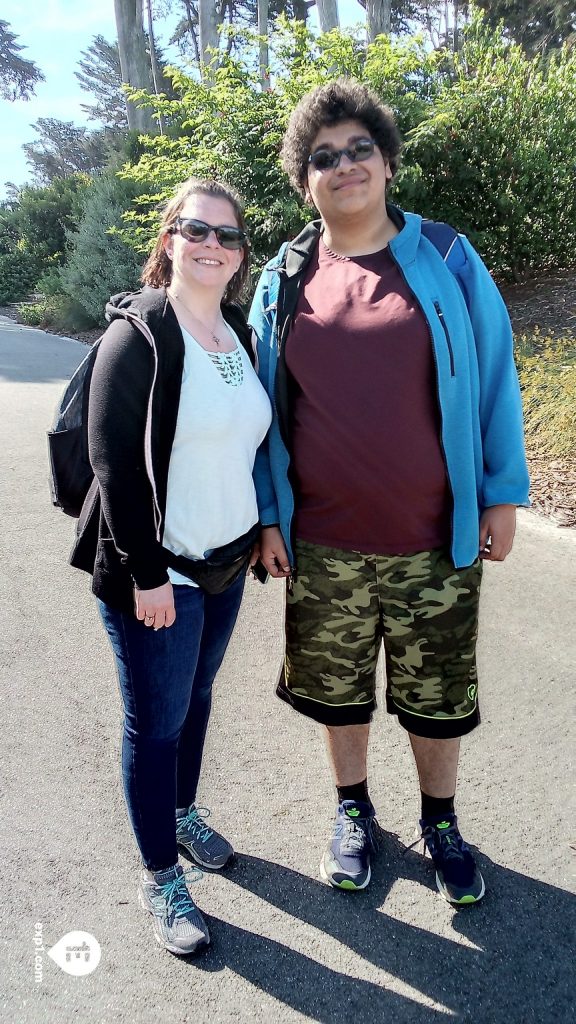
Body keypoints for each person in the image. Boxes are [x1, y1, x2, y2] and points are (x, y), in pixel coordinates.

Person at [250, 80, 529, 905]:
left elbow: (493, 379)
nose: (345, 166)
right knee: (338, 691)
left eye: (359, 149)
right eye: (324, 157)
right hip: (323, 544)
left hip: (432, 537)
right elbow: (263, 409)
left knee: (437, 699)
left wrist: (501, 495)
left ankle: (440, 822)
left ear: (387, 158)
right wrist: (268, 515)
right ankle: (353, 810)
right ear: (306, 178)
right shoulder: (286, 275)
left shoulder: (446, 257)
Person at [70, 178, 271, 954]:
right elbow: (114, 462)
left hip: (223, 565)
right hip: (157, 574)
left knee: (197, 697)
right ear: (169, 240)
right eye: (197, 230)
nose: (212, 245)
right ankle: (160, 876)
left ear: (240, 254)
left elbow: (243, 448)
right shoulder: (143, 334)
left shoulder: (237, 336)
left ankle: (182, 815)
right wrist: (146, 574)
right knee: (154, 725)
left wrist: (258, 532)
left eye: (227, 235)